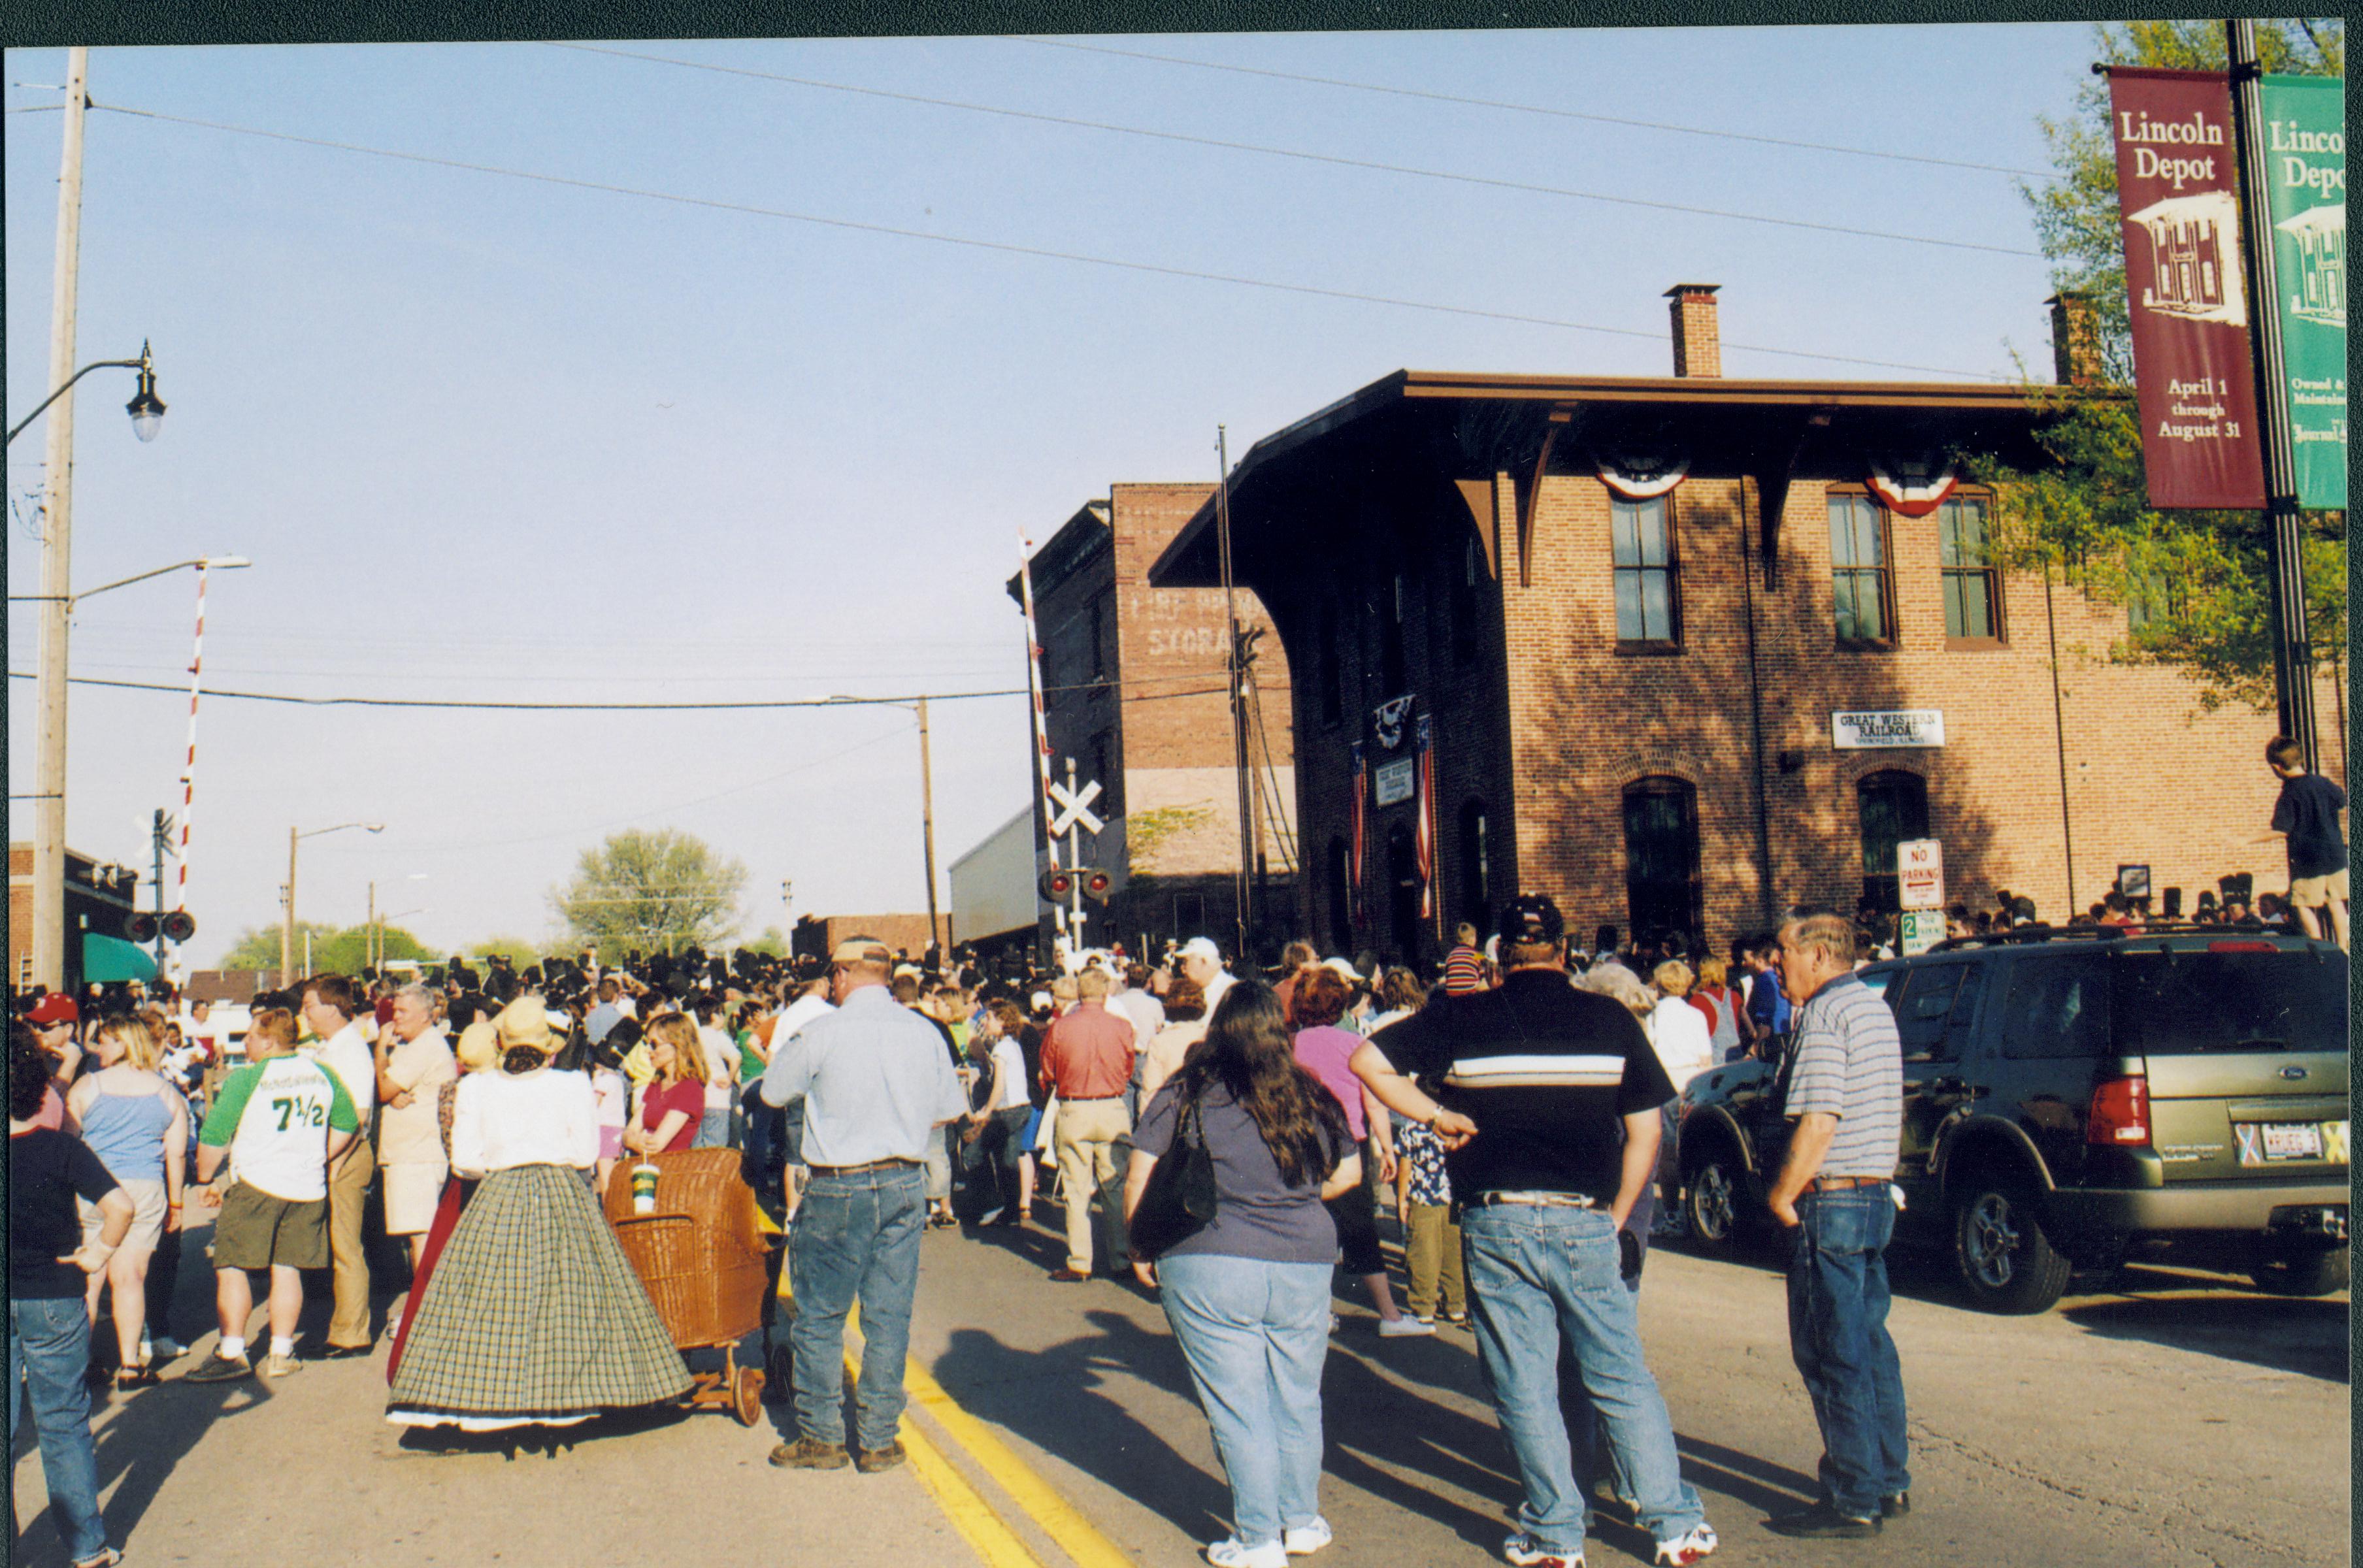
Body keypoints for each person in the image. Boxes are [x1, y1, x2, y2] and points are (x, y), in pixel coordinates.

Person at [1351, 894, 1717, 1568]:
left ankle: (1554, 1534)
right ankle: (1673, 1523)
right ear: (1563, 948)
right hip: (1584, 1218)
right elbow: (1646, 1130)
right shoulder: (1608, 1019)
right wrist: (1616, 1215)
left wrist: (1435, 1116)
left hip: (1497, 1219)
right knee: (1618, 1373)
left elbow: (1366, 1063)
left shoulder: (1461, 1016)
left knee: (1524, 1382)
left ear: (1499, 954)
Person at [1124, 985, 1363, 1568]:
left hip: (1208, 1256)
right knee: (1298, 1397)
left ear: (1218, 1029)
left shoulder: (1186, 1092)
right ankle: (1300, 1521)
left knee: (1238, 1405)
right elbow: (1349, 1174)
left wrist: (1140, 1243)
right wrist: (1296, 1198)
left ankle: (1256, 1540)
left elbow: (1140, 1176)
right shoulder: (1308, 1093)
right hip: (1304, 1258)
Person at [386, 996, 690, 1431]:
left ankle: (483, 1399)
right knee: (573, 1300)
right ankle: (579, 1394)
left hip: (499, 1194)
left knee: (488, 1304)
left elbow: (466, 1162)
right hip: (561, 1191)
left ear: (502, 1043)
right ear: (549, 1045)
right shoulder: (571, 1084)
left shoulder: (476, 1086)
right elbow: (585, 1154)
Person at [759, 937, 967, 1473]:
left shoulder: (823, 1032)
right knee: (888, 1316)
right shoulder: (924, 1031)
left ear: (843, 975)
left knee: (820, 1317)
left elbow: (773, 1092)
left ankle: (822, 1436)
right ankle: (877, 1439)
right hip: (903, 1180)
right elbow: (947, 1110)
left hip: (837, 1184)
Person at [1761, 914, 1909, 1540]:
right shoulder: (1874, 1008)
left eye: (1784, 955)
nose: (1776, 966)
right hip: (1875, 1195)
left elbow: (1820, 1120)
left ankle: (1853, 1495)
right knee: (1871, 1345)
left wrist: (1782, 1194)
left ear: (1819, 955)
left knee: (1831, 1351)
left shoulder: (1824, 1016)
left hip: (1835, 1199)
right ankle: (1887, 1478)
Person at [10, 1023, 137, 1568]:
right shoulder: (62, 1149)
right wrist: (97, 1255)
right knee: (63, 1423)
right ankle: (88, 1548)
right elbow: (122, 1207)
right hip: (54, 1295)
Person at [184, 1007, 360, 1382]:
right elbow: (348, 1123)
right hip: (306, 1186)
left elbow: (215, 1135)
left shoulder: (249, 1078)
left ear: (267, 1040)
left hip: (258, 1185)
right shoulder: (323, 1074)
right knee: (288, 1269)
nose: (245, 1042)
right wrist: (318, 1154)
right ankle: (281, 1352)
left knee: (232, 1268)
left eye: (249, 1035)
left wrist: (204, 1180)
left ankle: (232, 1352)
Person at [1291, 966, 1425, 1335]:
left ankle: (1319, 1311)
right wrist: (1387, 1148)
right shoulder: (1355, 1046)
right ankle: (1390, 1316)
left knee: (1312, 1224)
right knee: (1361, 1227)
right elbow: (1375, 1104)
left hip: (1304, 1142)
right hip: (1352, 1142)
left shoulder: (1291, 1046)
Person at [62, 1015, 188, 1387]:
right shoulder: (166, 1092)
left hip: (95, 1188)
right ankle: (131, 1365)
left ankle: (79, 1363)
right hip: (145, 1188)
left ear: (122, 1043)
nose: (99, 1048)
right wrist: (177, 1204)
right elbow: (176, 1155)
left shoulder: (87, 1087)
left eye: (105, 1041)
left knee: (90, 1276)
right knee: (130, 1277)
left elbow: (69, 1146)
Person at [1039, 967, 1139, 1281]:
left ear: (1079, 993)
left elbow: (1048, 1070)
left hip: (1075, 1109)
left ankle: (1080, 1261)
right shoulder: (1122, 1027)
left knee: (1076, 1189)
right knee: (1114, 1185)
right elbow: (1127, 1069)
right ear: (1106, 991)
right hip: (1112, 1107)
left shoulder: (1061, 1027)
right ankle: (1121, 1258)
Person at [297, 974, 378, 1358]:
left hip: (345, 1154)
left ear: (332, 1007)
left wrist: (333, 1163)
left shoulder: (350, 1051)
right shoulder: (331, 1048)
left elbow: (358, 1116)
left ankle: (351, 1334)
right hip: (331, 1153)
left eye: (310, 1005)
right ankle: (340, 1326)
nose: (305, 1013)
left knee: (346, 1247)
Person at [374, 983, 458, 1279]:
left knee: (420, 1237)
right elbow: (390, 1086)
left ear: (425, 1015)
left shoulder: (425, 1046)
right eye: (394, 1010)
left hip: (416, 1157)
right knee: (417, 1237)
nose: (394, 1017)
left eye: (402, 1011)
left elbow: (384, 1087)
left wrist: (380, 1050)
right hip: (412, 1155)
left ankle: (422, 1310)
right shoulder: (416, 1046)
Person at [2264, 735, 2349, 949]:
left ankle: (2320, 947)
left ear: (2277, 767)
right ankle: (2344, 948)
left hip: (2308, 859)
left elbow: (2281, 830)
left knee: (2302, 904)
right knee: (2337, 902)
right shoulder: (2322, 782)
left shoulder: (2290, 793)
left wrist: (2246, 840)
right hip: (2336, 855)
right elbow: (2341, 802)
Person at [625, 1012, 707, 1156]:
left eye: (654, 1044)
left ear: (678, 1045)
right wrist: (632, 1140)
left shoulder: (690, 1089)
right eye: (647, 1043)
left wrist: (633, 1140)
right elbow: (628, 1133)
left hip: (671, 1172)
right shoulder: (657, 1084)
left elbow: (655, 1145)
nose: (648, 1050)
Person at [1179, 936, 1236, 1017]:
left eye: (1185, 962)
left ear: (1204, 962)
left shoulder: (1231, 992)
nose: (1182, 968)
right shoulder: (1197, 992)